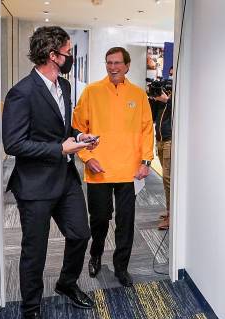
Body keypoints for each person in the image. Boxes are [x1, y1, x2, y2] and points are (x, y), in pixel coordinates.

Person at [2, 26, 99, 319]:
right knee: (35, 251)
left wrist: (78, 137)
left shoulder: (66, 85)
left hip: (65, 178)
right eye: (68, 52)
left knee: (81, 234)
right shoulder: (22, 92)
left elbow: (60, 126)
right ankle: (31, 311)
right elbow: (14, 143)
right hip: (34, 185)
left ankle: (66, 283)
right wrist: (59, 149)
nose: (71, 57)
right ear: (51, 55)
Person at [73, 47, 154, 287]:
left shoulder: (138, 95)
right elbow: (77, 130)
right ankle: (95, 255)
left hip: (129, 171)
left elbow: (147, 130)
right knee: (99, 219)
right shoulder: (92, 91)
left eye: (118, 63)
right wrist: (87, 158)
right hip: (99, 169)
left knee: (125, 222)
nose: (113, 67)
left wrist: (146, 161)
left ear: (127, 66)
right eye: (109, 62)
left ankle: (121, 267)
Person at [150, 66, 173, 230]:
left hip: (170, 141)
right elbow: (152, 117)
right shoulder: (161, 99)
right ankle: (169, 210)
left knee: (168, 179)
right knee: (166, 180)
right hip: (159, 140)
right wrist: (153, 99)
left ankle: (172, 215)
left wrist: (169, 101)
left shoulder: (176, 99)